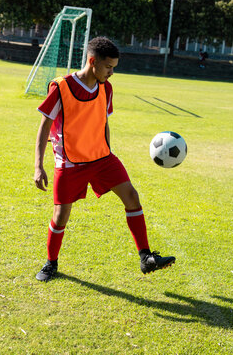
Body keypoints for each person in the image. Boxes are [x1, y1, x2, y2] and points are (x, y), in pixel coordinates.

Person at [33, 37, 175, 282]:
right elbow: (44, 125)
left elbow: (103, 120)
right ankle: (50, 264)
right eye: (109, 67)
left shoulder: (106, 88)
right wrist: (38, 166)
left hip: (102, 158)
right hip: (70, 162)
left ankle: (145, 257)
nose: (112, 73)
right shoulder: (61, 87)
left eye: (114, 68)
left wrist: (108, 151)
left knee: (131, 196)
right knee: (61, 215)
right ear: (93, 62)